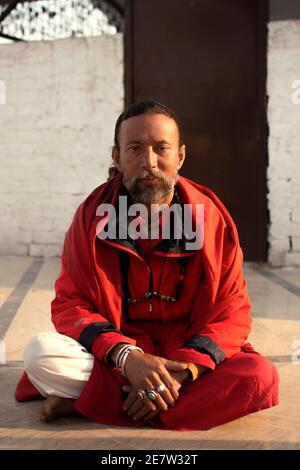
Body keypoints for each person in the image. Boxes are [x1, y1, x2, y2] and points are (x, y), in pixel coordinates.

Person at [15, 99, 279, 431]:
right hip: (118, 353)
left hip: (182, 353)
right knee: (42, 354)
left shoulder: (210, 217)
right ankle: (156, 399)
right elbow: (71, 303)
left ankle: (97, 404)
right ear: (117, 156)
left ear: (180, 156)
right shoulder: (91, 216)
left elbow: (233, 310)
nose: (149, 162)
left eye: (161, 149)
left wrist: (184, 371)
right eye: (136, 148)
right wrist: (128, 358)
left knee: (260, 377)